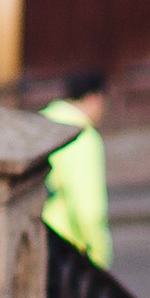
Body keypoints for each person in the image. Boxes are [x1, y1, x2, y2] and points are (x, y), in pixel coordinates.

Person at [42, 66, 112, 268]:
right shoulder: (81, 138)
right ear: (94, 99)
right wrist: (99, 255)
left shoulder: (43, 121)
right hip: (66, 247)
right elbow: (88, 208)